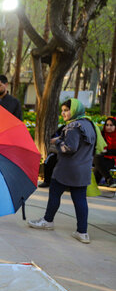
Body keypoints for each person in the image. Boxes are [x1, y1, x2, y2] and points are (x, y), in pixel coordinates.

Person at [28, 98, 104, 243]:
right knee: (80, 200)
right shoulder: (90, 124)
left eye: (67, 110)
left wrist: (57, 141)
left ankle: (48, 221)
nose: (63, 113)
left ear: (74, 110)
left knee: (55, 193)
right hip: (83, 169)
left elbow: (69, 148)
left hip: (67, 169)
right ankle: (82, 232)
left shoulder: (73, 127)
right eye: (62, 110)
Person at [93, 117, 116, 187]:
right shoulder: (102, 134)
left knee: (98, 165)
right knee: (97, 159)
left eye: (111, 125)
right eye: (107, 125)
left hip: (113, 159)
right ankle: (109, 179)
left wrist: (107, 151)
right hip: (101, 158)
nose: (109, 127)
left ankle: (93, 186)